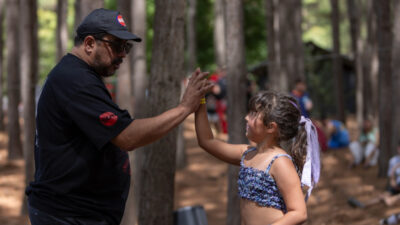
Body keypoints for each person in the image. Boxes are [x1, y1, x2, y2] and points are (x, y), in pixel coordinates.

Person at [25, 8, 213, 225]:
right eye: (116, 46)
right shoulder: (75, 80)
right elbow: (127, 137)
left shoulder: (80, 75)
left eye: (127, 47)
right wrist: (183, 108)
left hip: (78, 213)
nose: (123, 54)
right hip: (67, 215)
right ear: (89, 44)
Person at [195, 91, 320, 225]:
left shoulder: (280, 162)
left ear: (271, 127)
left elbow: (299, 212)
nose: (246, 118)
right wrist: (201, 100)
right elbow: (206, 141)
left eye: (254, 114)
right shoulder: (247, 154)